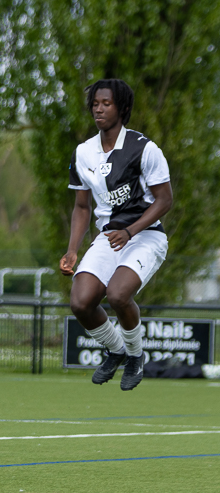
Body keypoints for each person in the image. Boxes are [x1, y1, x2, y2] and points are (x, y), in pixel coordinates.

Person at [60, 78, 173, 391]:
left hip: (146, 234)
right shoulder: (83, 153)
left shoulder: (144, 149)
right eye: (95, 103)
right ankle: (116, 350)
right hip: (110, 236)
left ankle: (136, 356)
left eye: (106, 103)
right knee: (81, 302)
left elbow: (165, 200)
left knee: (118, 294)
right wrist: (73, 249)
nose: (98, 109)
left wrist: (130, 230)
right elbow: (82, 207)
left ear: (122, 108)